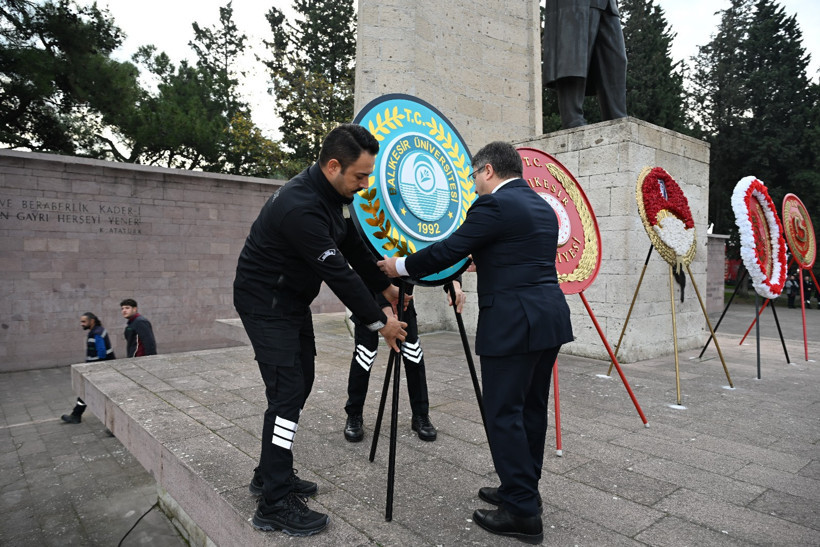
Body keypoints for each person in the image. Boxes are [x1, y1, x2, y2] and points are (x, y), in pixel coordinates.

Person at [379, 141, 573, 545]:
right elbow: (511, 254)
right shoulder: (541, 205)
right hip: (549, 318)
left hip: (513, 323)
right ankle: (522, 489)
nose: (473, 185)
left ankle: (521, 512)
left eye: (473, 176)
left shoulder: (494, 206)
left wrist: (398, 265)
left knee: (504, 413)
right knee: (532, 410)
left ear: (487, 170)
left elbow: (451, 249)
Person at [233, 123, 408, 537]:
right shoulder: (301, 206)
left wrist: (387, 286)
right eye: (360, 176)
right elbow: (339, 274)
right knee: (287, 392)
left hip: (290, 301)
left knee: (301, 381)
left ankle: (269, 473)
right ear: (333, 165)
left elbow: (354, 248)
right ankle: (273, 503)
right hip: (265, 304)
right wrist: (382, 321)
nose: (364, 185)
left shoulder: (335, 196)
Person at [344, 280, 465, 443]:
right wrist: (386, 313)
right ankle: (354, 414)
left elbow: (443, 257)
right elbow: (370, 267)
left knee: (414, 355)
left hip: (403, 298)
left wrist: (454, 284)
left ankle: (420, 415)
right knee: (364, 356)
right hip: (368, 299)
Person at [542, 0, 628, 129]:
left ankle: (617, 118)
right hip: (574, 4)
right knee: (572, 57)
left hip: (608, 5)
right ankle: (573, 119)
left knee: (616, 61)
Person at [62, 312, 116, 424]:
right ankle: (76, 415)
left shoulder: (96, 333)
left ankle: (77, 415)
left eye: (84, 321)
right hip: (103, 367)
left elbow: (101, 352)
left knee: (89, 393)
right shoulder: (98, 330)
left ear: (92, 321)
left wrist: (93, 368)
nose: (81, 324)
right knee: (87, 393)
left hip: (99, 369)